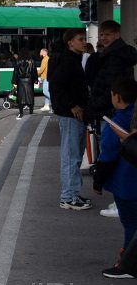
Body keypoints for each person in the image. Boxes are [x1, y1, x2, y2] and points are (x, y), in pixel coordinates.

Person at [92, 78, 137, 278]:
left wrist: (98, 181)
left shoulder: (116, 122)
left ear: (117, 98)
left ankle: (128, 265)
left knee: (131, 224)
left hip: (126, 183)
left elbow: (108, 154)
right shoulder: (133, 115)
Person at [48, 28, 92, 210]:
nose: (84, 42)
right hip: (70, 115)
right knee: (71, 156)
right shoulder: (68, 61)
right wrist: (72, 105)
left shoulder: (73, 59)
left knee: (75, 155)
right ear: (70, 43)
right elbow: (56, 85)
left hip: (75, 115)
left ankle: (73, 193)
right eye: (80, 39)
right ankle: (68, 197)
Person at [11, 48, 36, 119]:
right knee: (30, 97)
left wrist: (14, 81)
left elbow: (15, 72)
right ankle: (31, 112)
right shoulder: (31, 61)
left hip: (20, 81)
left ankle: (21, 113)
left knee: (21, 97)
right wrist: (35, 79)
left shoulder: (18, 61)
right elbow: (34, 71)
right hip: (29, 81)